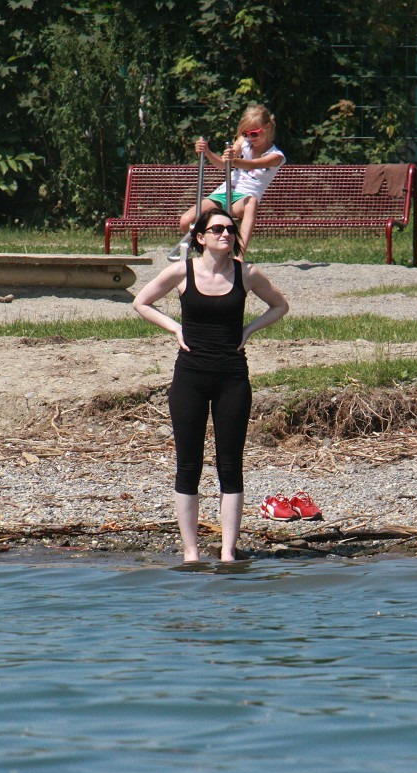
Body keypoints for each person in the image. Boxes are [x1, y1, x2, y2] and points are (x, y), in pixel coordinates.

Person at [133, 206, 289, 563]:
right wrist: (175, 328)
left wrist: (248, 330)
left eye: (230, 229)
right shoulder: (181, 271)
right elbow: (141, 302)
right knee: (188, 465)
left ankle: (228, 552)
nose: (226, 234)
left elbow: (280, 306)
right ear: (200, 238)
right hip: (189, 378)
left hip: (232, 377)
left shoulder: (247, 273)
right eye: (218, 229)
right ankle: (190, 554)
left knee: (230, 465)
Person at [179, 104, 285, 255]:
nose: (249, 138)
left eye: (254, 134)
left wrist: (233, 161)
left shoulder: (276, 156)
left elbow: (253, 164)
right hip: (225, 191)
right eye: (245, 134)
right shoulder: (244, 143)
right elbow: (222, 165)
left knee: (252, 203)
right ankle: (205, 252)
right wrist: (207, 152)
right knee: (186, 221)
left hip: (244, 198)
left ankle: (239, 255)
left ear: (267, 127)